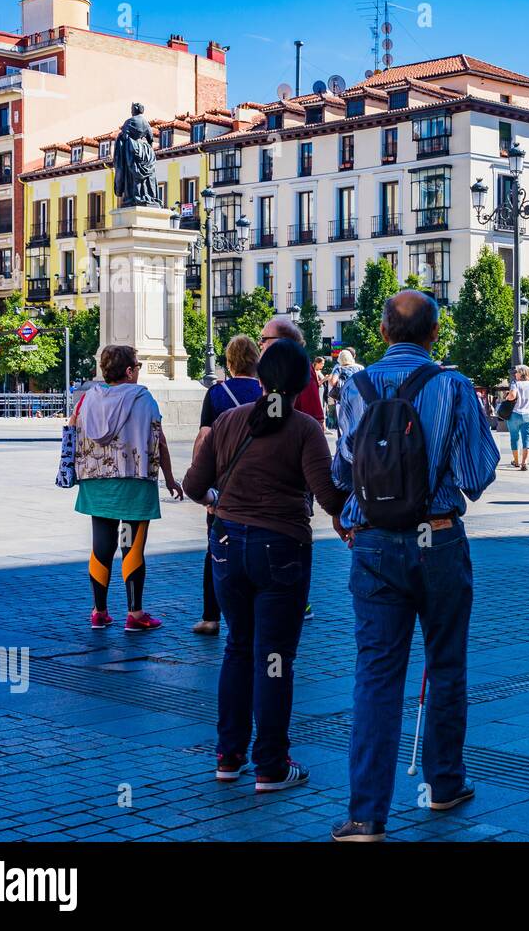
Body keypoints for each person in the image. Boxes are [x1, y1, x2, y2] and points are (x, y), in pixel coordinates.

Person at [330, 290, 499, 842]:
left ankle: (365, 816)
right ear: (434, 335)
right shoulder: (454, 385)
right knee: (446, 664)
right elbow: (477, 473)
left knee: (376, 676)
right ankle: (445, 783)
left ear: (382, 333)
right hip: (440, 540)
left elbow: (342, 472)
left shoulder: (353, 387)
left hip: (375, 544)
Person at [184, 339, 348, 793]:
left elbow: (195, 484)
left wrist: (221, 501)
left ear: (260, 379)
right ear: (304, 384)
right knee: (274, 657)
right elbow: (330, 496)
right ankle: (271, 765)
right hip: (281, 551)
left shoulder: (229, 421)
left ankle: (228, 755)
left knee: (238, 648)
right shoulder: (304, 429)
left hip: (227, 549)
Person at [72, 344, 183, 632]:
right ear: (130, 370)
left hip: (96, 483)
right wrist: (170, 478)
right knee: (131, 546)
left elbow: (73, 433)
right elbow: (159, 441)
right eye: (138, 367)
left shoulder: (86, 399)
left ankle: (99, 611)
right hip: (134, 482)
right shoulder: (142, 399)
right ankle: (135, 614)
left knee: (101, 547)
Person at [192, 335, 263, 636]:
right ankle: (258, 614)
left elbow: (204, 438)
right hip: (261, 481)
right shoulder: (266, 392)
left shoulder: (217, 394)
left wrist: (203, 485)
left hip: (224, 484)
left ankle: (211, 617)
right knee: (261, 546)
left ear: (229, 362)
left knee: (216, 550)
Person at [259, 318, 325, 428]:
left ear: (282, 341)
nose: (260, 343)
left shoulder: (299, 367)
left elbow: (314, 418)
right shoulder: (275, 368)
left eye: (264, 339)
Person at [504, 365, 529, 470]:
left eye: (516, 372)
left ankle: (516, 462)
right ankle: (525, 462)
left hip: (515, 414)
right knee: (527, 439)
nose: (515, 374)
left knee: (514, 438)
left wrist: (507, 397)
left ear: (521, 373)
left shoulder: (515, 383)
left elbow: (512, 396)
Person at [329, 349, 364, 440]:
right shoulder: (360, 367)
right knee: (357, 421)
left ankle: (344, 444)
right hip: (358, 399)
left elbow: (333, 382)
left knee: (343, 424)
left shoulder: (339, 368)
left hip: (342, 400)